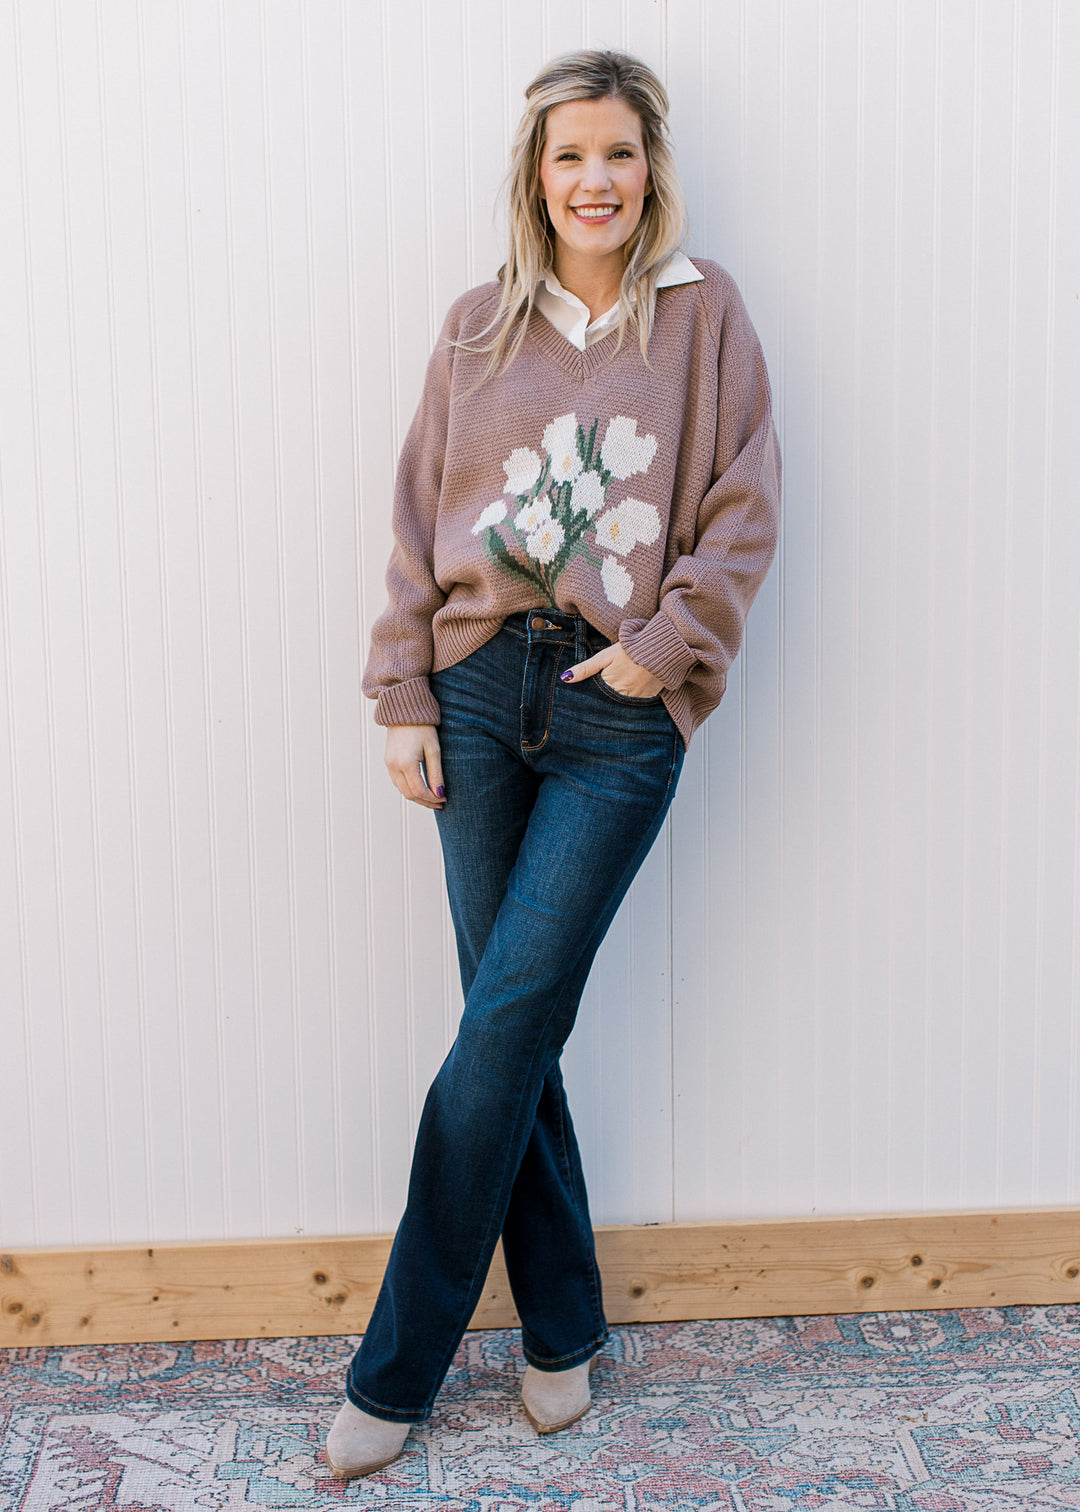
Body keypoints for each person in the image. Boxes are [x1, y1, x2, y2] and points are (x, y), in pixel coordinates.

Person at [325, 48, 781, 1479]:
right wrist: (403, 689)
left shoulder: (706, 322)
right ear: (537, 174)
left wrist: (666, 646)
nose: (597, 180)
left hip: (614, 712)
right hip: (472, 697)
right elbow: (417, 522)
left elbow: (746, 504)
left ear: (654, 170)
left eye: (621, 155)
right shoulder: (475, 329)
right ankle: (561, 1326)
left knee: (505, 1019)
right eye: (570, 156)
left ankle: (394, 1372)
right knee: (511, 1030)